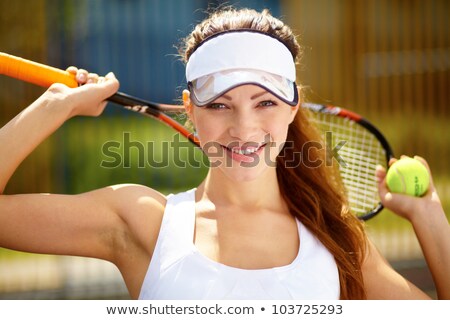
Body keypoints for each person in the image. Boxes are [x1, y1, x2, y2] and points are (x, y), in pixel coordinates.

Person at [0, 7, 449, 300]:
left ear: (293, 108)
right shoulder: (142, 221)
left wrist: (429, 216)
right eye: (219, 104)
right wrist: (55, 105)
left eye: (265, 103)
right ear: (191, 110)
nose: (244, 129)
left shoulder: (337, 238)